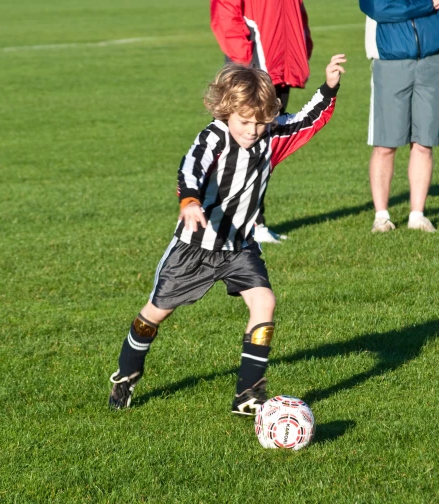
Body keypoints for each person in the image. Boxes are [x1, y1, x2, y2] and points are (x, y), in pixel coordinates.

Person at [109, 55, 347, 415]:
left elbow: (306, 120)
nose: (252, 130)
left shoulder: (270, 136)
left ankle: (247, 395)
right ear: (225, 111)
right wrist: (189, 201)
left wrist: (329, 87)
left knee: (264, 302)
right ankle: (126, 375)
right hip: (196, 246)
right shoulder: (213, 138)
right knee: (155, 314)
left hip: (239, 247)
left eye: (260, 122)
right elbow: (191, 167)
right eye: (244, 121)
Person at [210, 0, 314, 243]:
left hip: (280, 66)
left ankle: (255, 222)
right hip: (255, 67)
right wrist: (246, 64)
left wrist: (299, 51)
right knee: (237, 148)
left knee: (264, 146)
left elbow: (296, 13)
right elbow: (225, 11)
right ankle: (232, 223)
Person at [359, 0, 439, 233]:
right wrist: (426, 5)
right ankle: (381, 217)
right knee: (385, 144)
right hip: (391, 63)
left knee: (424, 143)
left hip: (432, 60)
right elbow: (379, 8)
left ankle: (417, 215)